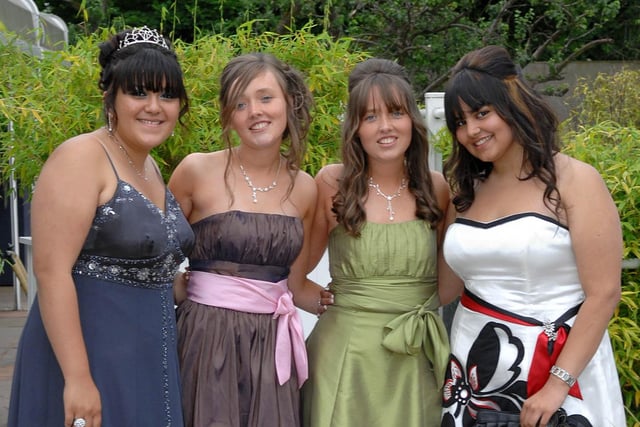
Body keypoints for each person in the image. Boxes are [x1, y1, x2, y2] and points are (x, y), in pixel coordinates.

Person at [8, 27, 194, 427]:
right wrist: (77, 378)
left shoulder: (148, 164)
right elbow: (51, 272)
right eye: (139, 92)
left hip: (149, 354)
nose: (154, 107)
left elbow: (143, 262)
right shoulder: (81, 157)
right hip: (90, 355)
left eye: (167, 95)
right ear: (111, 98)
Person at [438, 45, 626, 427]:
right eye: (459, 122)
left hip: (560, 370)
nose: (471, 130)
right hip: (473, 372)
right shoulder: (464, 192)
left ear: (512, 102)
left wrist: (557, 384)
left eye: (481, 113)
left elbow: (604, 292)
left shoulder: (574, 180)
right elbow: (442, 289)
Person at [168, 52, 329, 427]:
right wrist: (175, 286)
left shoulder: (305, 188)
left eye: (265, 97)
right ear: (228, 116)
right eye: (240, 103)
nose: (255, 111)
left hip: (271, 344)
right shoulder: (196, 170)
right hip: (204, 338)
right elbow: (151, 251)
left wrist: (358, 305)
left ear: (289, 102)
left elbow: (296, 283)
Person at [301, 58, 451, 427]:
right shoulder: (331, 183)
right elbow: (294, 272)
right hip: (344, 356)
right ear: (355, 128)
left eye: (396, 113)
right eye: (370, 117)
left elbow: (450, 284)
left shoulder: (438, 188)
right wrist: (331, 303)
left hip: (415, 354)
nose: (385, 127)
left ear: (412, 122)